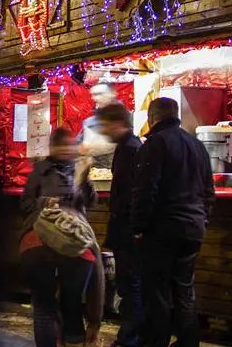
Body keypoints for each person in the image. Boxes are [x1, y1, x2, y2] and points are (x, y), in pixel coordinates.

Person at [132, 97, 215, 347]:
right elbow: (209, 191)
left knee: (157, 292)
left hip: (163, 228)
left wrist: (138, 226)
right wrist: (203, 220)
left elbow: (146, 189)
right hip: (193, 228)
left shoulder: (155, 144)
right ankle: (189, 342)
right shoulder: (197, 145)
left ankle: (156, 342)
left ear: (152, 117)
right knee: (184, 290)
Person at [20, 128, 98, 347]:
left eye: (69, 145)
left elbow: (91, 202)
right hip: (41, 236)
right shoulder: (40, 170)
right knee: (44, 307)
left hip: (73, 236)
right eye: (60, 145)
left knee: (72, 303)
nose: (65, 149)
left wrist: (85, 179)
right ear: (51, 147)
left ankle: (72, 340)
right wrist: (45, 202)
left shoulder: (79, 169)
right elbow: (25, 204)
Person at [97, 102, 143, 347]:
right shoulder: (127, 148)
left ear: (118, 123)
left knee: (130, 284)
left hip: (128, 230)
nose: (103, 131)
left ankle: (130, 338)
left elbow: (132, 193)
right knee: (129, 284)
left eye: (105, 125)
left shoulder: (131, 149)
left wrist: (134, 227)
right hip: (126, 228)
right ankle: (131, 336)